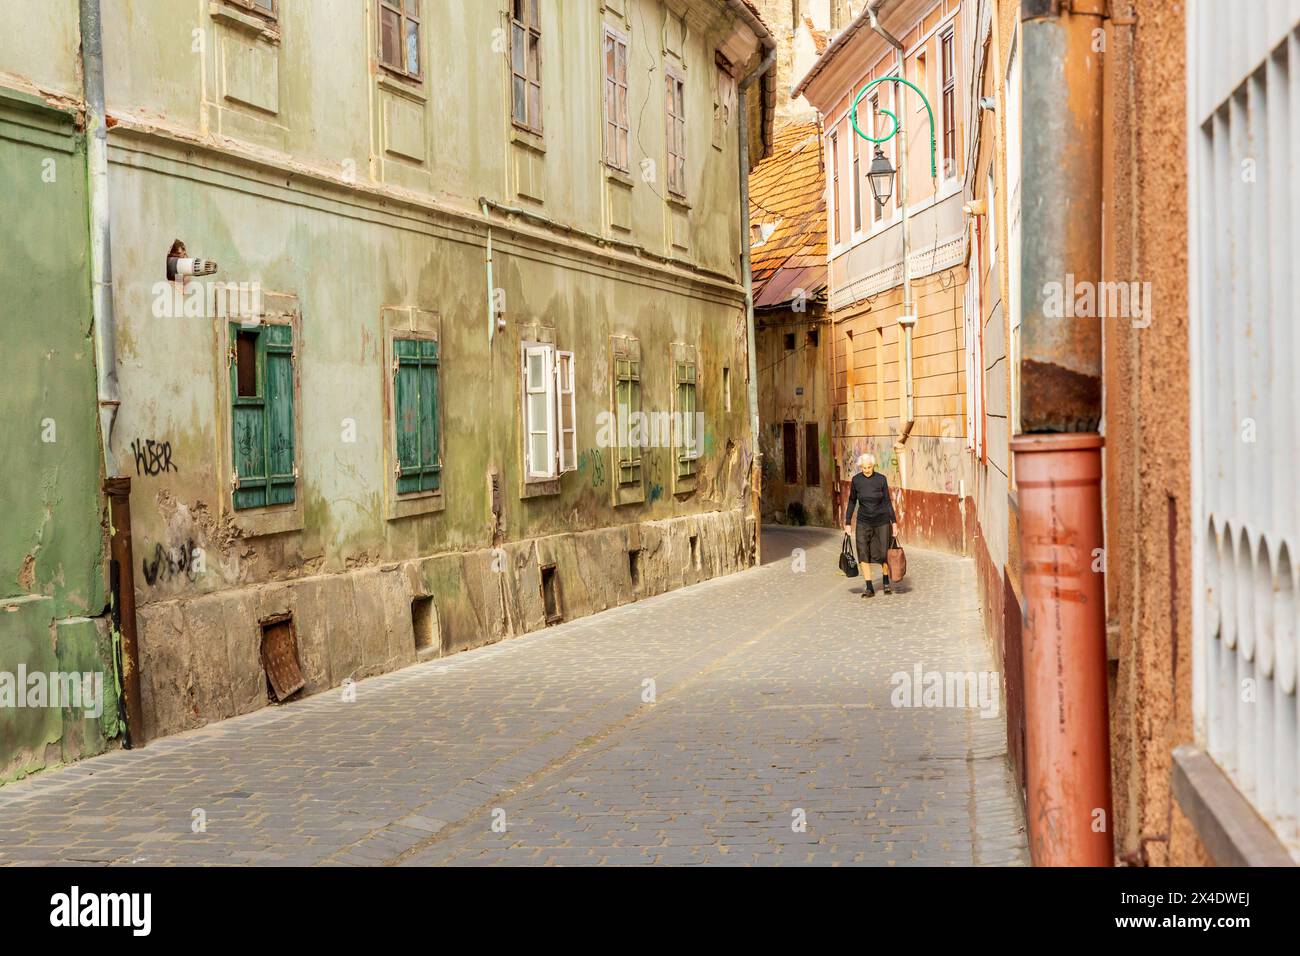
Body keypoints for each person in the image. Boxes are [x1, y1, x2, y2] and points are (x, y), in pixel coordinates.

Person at [842, 453, 899, 597]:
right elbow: (852, 501)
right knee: (863, 552)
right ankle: (869, 587)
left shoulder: (881, 479)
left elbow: (887, 502)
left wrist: (894, 523)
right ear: (860, 467)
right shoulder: (856, 480)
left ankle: (886, 582)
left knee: (883, 552)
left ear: (873, 466)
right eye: (864, 467)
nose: (866, 470)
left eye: (869, 467)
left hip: (882, 521)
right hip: (863, 521)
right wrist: (848, 523)